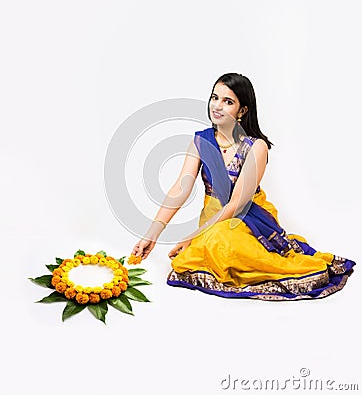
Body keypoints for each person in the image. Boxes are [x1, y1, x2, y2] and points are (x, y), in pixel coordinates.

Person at [131, 73, 355, 300]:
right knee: (212, 245)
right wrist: (151, 235)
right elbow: (180, 189)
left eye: (228, 102)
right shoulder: (201, 142)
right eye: (215, 98)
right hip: (213, 220)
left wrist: (192, 236)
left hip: (247, 218)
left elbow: (238, 203)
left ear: (242, 111)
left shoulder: (256, 147)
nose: (217, 106)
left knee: (224, 243)